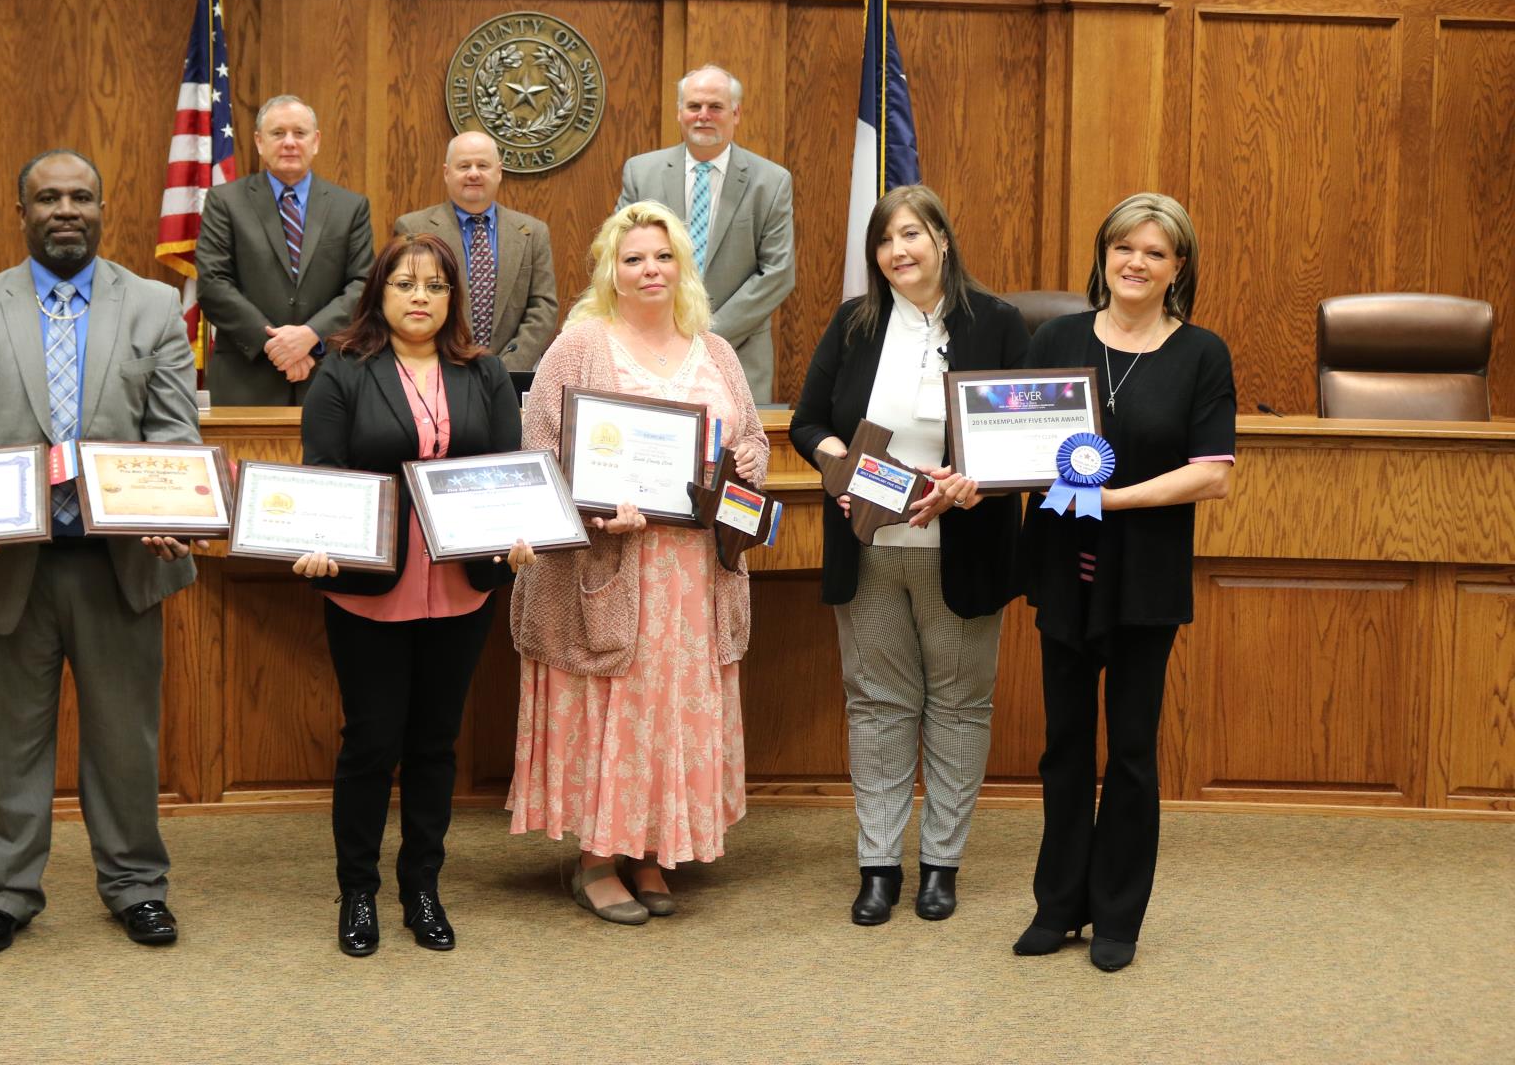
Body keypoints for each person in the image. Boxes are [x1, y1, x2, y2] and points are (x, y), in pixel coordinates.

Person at [0, 149, 200, 956]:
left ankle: (136, 886)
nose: (66, 209)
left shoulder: (152, 305)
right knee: (7, 739)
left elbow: (174, 429)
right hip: (5, 561)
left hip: (121, 562)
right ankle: (6, 894)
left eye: (81, 196)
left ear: (103, 207)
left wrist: (168, 506)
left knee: (126, 737)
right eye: (49, 198)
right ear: (22, 212)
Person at [508, 201, 769, 924]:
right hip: (612, 567)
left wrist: (749, 461)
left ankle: (650, 852)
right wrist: (591, 511)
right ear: (610, 272)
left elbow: (751, 442)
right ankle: (596, 859)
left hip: (695, 576)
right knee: (612, 710)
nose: (649, 270)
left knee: (669, 713)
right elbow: (538, 445)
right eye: (633, 259)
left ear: (681, 266)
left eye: (662, 257)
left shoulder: (713, 350)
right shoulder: (580, 344)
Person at [789, 184, 1029, 927]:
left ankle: (941, 867)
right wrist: (842, 468)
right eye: (885, 240)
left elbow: (1022, 439)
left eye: (912, 235)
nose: (898, 251)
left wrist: (969, 483)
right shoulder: (855, 323)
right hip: (871, 549)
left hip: (963, 547)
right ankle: (879, 867)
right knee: (879, 706)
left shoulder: (999, 324)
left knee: (958, 710)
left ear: (943, 241)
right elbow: (808, 423)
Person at [1012, 192, 1235, 973]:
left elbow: (1210, 478)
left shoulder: (1202, 353)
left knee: (1132, 751)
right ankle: (1058, 906)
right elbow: (1014, 443)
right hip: (1063, 571)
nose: (1134, 263)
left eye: (1153, 252)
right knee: (1064, 745)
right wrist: (978, 473)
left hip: (1143, 576)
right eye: (1122, 248)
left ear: (1178, 268)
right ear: (1102, 256)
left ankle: (1117, 918)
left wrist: (1108, 499)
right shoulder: (1058, 340)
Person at [295, 233, 534, 957]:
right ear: (380, 294)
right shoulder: (341, 371)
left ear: (453, 298)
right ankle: (358, 895)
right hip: (369, 590)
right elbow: (322, 474)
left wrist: (520, 536)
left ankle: (422, 889)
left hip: (461, 587)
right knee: (371, 744)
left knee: (434, 746)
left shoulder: (485, 373)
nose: (421, 297)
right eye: (405, 284)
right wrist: (313, 540)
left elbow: (506, 473)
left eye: (435, 285)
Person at [617, 64, 795, 404]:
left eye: (715, 107)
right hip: (648, 348)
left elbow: (778, 273)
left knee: (733, 454)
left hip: (737, 352)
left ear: (736, 112)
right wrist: (667, 330)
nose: (703, 116)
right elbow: (619, 255)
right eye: (694, 106)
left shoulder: (770, 182)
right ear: (679, 112)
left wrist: (705, 333)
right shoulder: (641, 173)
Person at [196, 94, 375, 405]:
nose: (289, 142)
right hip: (245, 379)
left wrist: (310, 336)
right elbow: (213, 284)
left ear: (316, 141)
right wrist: (277, 346)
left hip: (327, 377)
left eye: (300, 133)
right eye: (278, 133)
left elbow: (363, 285)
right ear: (259, 142)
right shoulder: (224, 202)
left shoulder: (351, 207)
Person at [393, 131, 559, 371]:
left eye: (483, 165)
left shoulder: (532, 232)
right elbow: (404, 302)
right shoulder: (413, 228)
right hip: (433, 370)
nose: (473, 173)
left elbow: (543, 307)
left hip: (507, 374)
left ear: (499, 172)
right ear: (446, 173)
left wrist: (504, 369)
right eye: (463, 166)